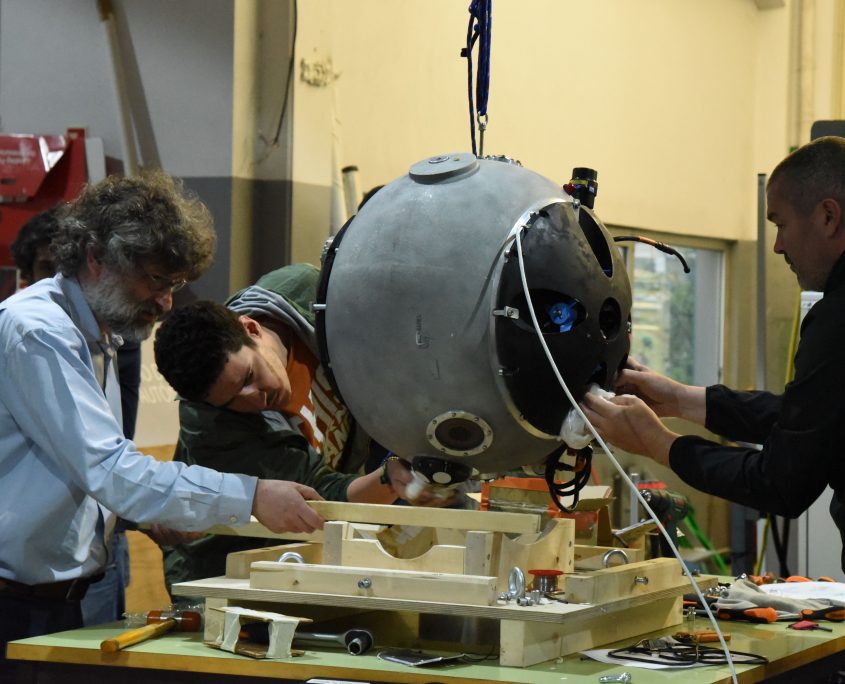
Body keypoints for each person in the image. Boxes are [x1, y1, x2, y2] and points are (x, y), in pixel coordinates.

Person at [0, 172, 328, 682]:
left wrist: (143, 520)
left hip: (60, 601)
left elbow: (73, 473)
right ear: (97, 258)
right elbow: (108, 467)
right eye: (155, 280)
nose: (165, 302)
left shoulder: (100, 336)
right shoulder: (39, 332)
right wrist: (251, 496)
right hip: (15, 606)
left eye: (173, 285)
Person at [580, 136, 845, 571]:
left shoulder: (836, 318)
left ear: (828, 216)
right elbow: (813, 418)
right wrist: (683, 400)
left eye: (780, 225)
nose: (778, 247)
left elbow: (782, 482)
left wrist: (659, 443)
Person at [152, 263, 448, 589]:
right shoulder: (213, 427)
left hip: (306, 552)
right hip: (227, 572)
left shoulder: (309, 293)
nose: (254, 399)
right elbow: (323, 496)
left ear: (251, 328)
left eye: (248, 377)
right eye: (231, 400)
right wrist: (388, 477)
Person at [10, 204, 141, 626]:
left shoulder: (112, 337)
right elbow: (100, 460)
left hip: (97, 540)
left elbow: (113, 445)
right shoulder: (33, 331)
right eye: (46, 268)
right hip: (25, 581)